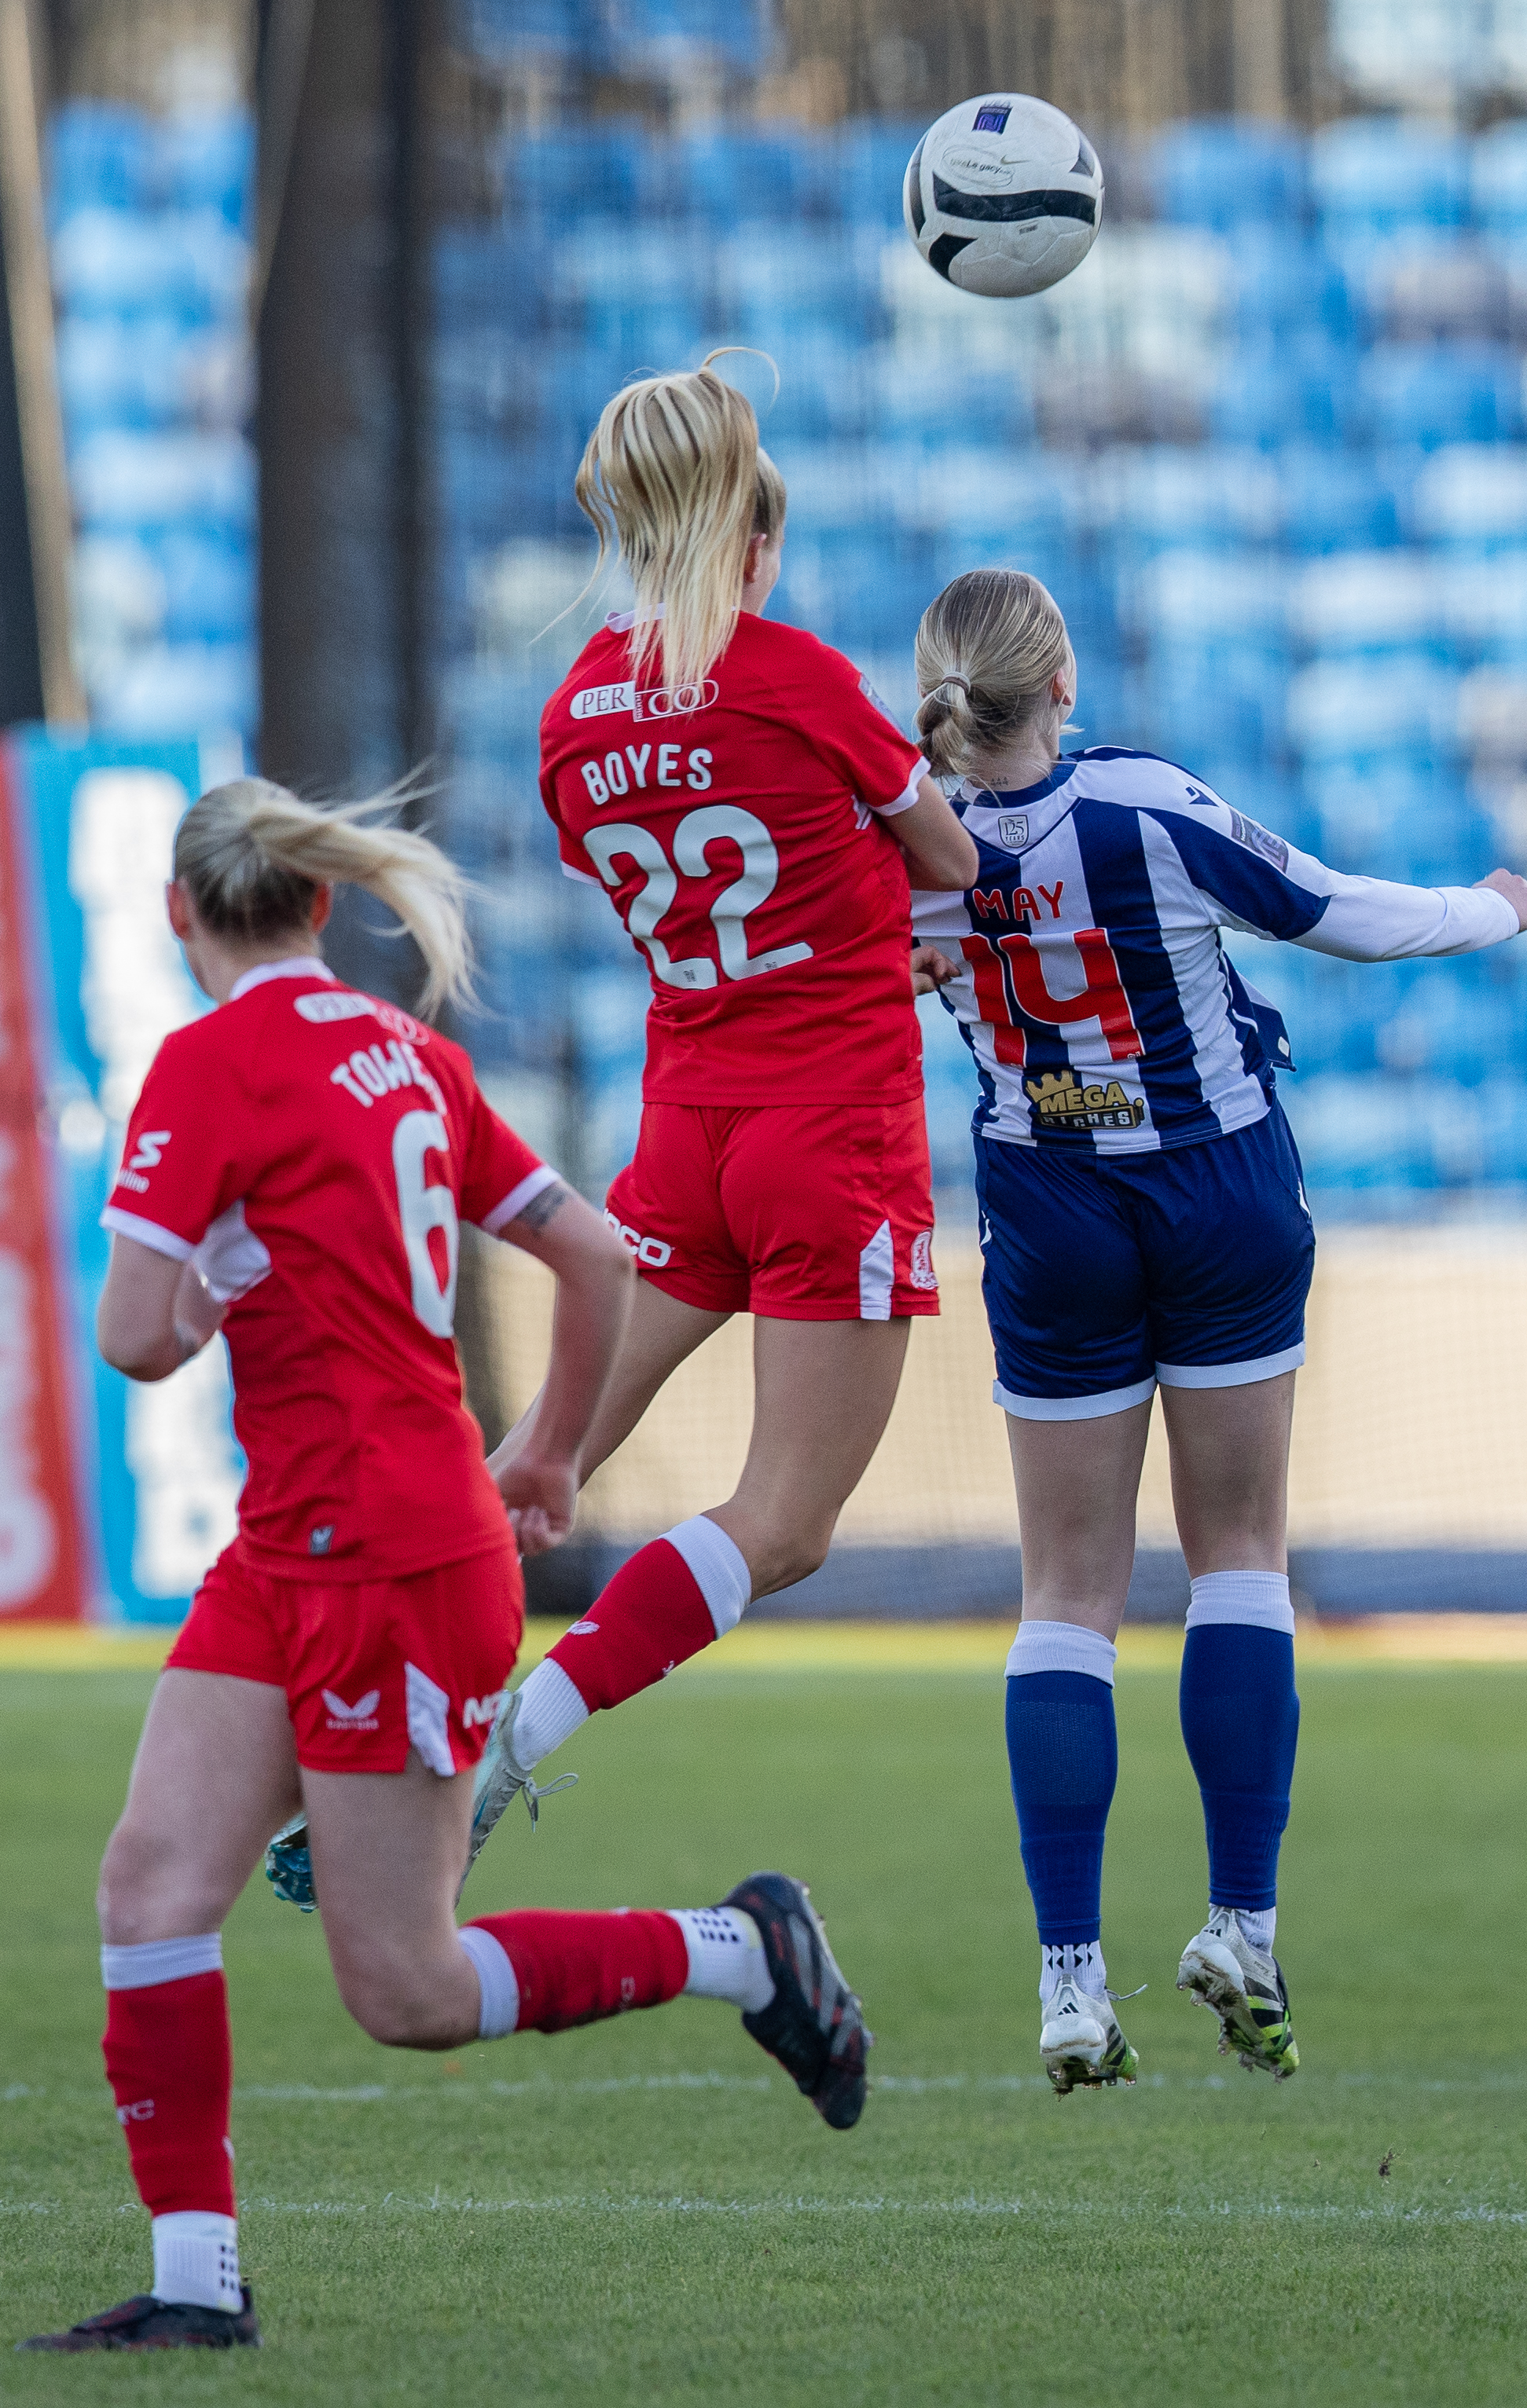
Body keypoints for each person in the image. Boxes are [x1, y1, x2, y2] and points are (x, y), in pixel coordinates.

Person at [23, 777, 873, 2357]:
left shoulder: (208, 1065)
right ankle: (197, 2287)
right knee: (152, 1879)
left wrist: (208, 1292)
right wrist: (546, 1450)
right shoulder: (408, 1056)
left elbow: (135, 1336)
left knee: (403, 1989)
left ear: (180, 916)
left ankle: (741, 1950)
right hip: (307, 1540)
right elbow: (591, 1247)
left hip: (390, 1559)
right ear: (321, 905)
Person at [904, 568, 1527, 2092]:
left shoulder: (898, 839)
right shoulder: (1141, 802)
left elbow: (864, 972)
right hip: (1217, 1185)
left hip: (1049, 1200)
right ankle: (1240, 1929)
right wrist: (1495, 904)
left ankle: (1070, 1983)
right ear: (1058, 675)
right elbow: (1336, 914)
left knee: (1066, 1592)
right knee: (1239, 1557)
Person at [440, 357, 981, 1863]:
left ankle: (364, 1702)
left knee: (539, 1468)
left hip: (683, 1131)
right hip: (832, 1133)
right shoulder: (800, 678)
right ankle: (520, 1731)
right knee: (783, 1519)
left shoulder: (568, 719)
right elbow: (951, 860)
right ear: (753, 530)